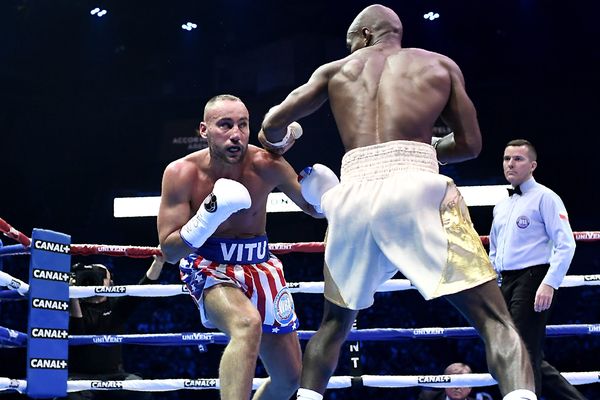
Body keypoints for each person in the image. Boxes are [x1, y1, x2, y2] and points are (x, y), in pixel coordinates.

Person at [258, 4, 537, 400]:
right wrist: (430, 148)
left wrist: (279, 142)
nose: (351, 50)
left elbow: (271, 123)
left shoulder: (334, 71)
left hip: (350, 198)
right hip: (417, 189)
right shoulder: (439, 65)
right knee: (496, 322)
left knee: (334, 325)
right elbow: (471, 145)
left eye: (352, 41)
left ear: (367, 35)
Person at [157, 94, 322, 400]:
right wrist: (207, 216)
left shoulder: (267, 164)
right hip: (209, 266)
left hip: (261, 265)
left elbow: (314, 208)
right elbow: (169, 251)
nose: (236, 133)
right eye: (225, 125)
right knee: (246, 325)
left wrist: (325, 193)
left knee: (289, 380)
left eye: (243, 125)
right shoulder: (181, 173)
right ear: (204, 130)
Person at [489, 139, 585, 400]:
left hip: (533, 278)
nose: (511, 163)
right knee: (518, 351)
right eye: (507, 158)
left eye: (518, 159)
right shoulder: (502, 205)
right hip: (505, 282)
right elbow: (494, 250)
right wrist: (495, 283)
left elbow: (566, 244)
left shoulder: (546, 197)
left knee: (522, 350)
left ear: (532, 165)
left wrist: (550, 282)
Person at [66, 255, 166, 400]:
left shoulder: (117, 305)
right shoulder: (69, 305)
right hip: (78, 377)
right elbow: (78, 332)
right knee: (69, 396)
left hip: (114, 376)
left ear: (110, 284)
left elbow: (144, 287)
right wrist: (73, 295)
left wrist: (158, 261)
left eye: (99, 276)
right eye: (88, 276)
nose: (92, 280)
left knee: (140, 388)